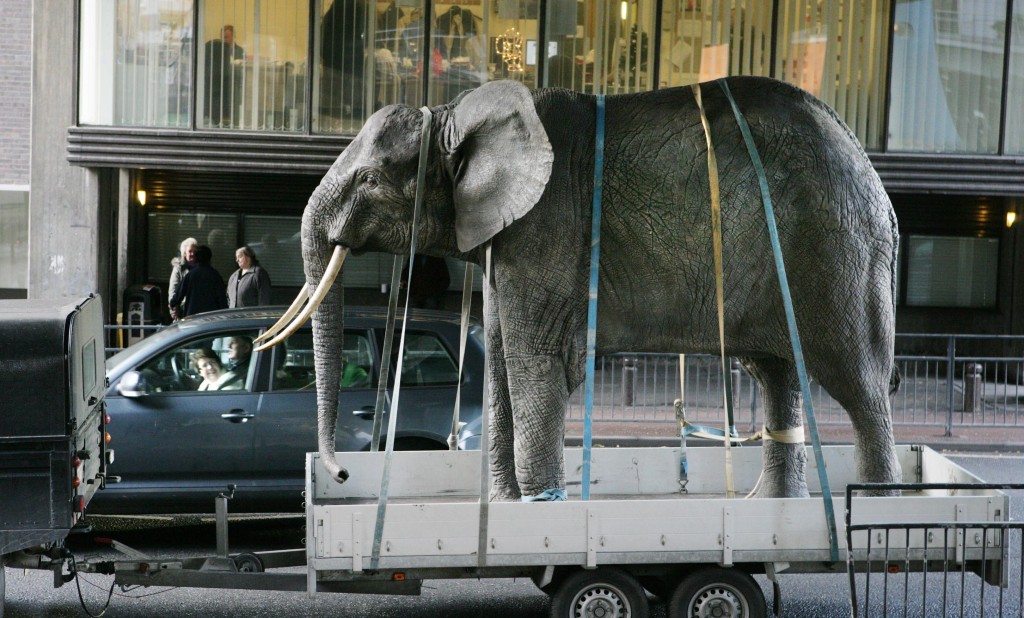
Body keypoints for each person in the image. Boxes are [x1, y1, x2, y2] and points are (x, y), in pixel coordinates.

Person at [204, 24, 245, 126]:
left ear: (233, 36)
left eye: (226, 37)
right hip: (218, 89)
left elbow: (243, 71)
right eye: (222, 37)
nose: (224, 40)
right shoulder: (216, 49)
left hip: (233, 87)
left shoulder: (240, 51)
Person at [169, 245, 227, 317]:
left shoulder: (190, 275)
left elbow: (180, 291)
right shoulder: (215, 275)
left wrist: (173, 303)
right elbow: (222, 297)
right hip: (211, 316)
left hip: (192, 314)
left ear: (196, 258)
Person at [168, 237, 198, 321]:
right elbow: (173, 289)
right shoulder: (178, 268)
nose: (192, 254)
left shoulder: (200, 267)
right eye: (190, 251)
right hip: (182, 311)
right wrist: (173, 311)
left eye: (194, 251)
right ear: (184, 253)